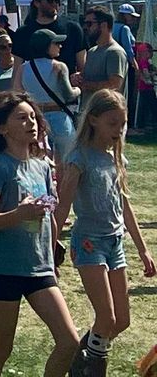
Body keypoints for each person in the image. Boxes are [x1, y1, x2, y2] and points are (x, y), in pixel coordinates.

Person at [0, 91, 79, 377]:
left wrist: (53, 253)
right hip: (3, 269)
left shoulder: (43, 167)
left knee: (68, 341)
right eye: (21, 118)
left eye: (33, 117)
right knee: (2, 347)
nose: (31, 123)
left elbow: (49, 218)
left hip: (39, 269)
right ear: (2, 128)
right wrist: (19, 214)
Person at [56, 89, 156, 377]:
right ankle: (92, 368)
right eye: (113, 123)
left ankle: (83, 356)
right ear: (94, 120)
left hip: (115, 244)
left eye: (122, 124)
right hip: (89, 243)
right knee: (106, 316)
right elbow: (63, 206)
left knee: (121, 320)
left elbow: (125, 206)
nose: (119, 130)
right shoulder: (79, 158)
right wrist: (50, 244)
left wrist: (142, 248)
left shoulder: (115, 159)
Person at [19, 28, 79, 170]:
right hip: (59, 117)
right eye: (56, 43)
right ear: (46, 45)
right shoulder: (59, 67)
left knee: (38, 161)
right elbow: (69, 95)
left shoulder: (23, 68)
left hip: (37, 117)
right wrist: (79, 89)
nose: (60, 46)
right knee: (66, 162)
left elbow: (17, 92)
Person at [12, 0, 86, 77]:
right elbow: (17, 70)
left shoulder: (73, 28)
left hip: (66, 88)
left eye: (57, 0)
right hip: (33, 89)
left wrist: (77, 77)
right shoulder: (23, 33)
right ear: (37, 3)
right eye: (50, 1)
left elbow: (83, 67)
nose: (55, 4)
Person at [77, 8, 127, 97]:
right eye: (84, 24)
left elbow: (114, 85)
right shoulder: (92, 51)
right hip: (89, 109)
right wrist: (77, 77)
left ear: (103, 25)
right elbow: (87, 76)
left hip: (107, 110)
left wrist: (86, 85)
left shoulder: (115, 52)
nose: (85, 28)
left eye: (89, 24)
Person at [112, 3, 141, 125]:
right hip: (125, 65)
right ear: (125, 16)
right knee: (126, 92)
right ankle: (126, 123)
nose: (133, 19)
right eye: (131, 16)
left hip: (114, 64)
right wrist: (135, 65)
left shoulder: (112, 26)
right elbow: (128, 49)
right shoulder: (125, 29)